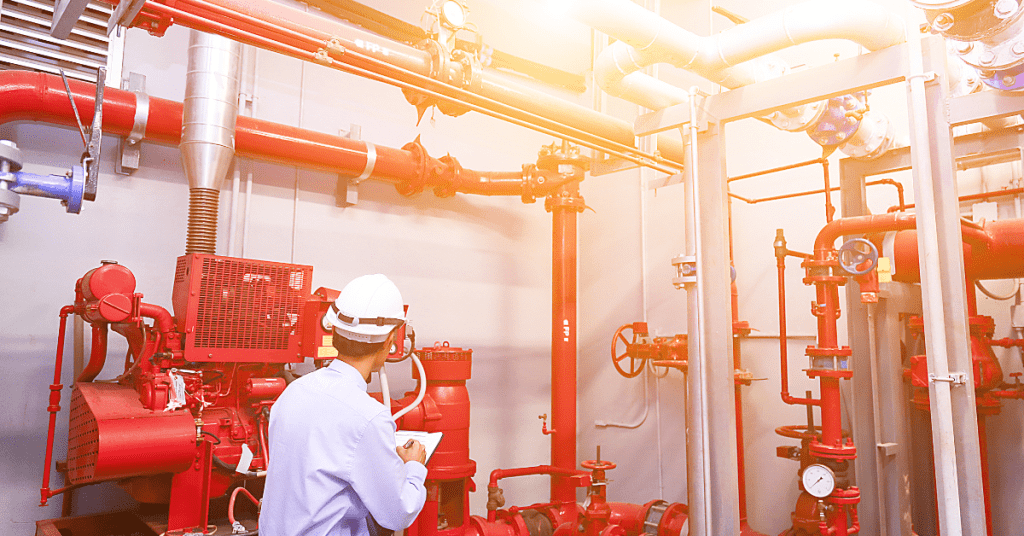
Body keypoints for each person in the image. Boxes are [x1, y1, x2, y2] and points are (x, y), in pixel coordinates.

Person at [260, 274, 427, 536]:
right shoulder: (368, 418)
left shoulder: (292, 393)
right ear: (390, 339)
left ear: (334, 330)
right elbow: (398, 513)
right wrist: (414, 467)